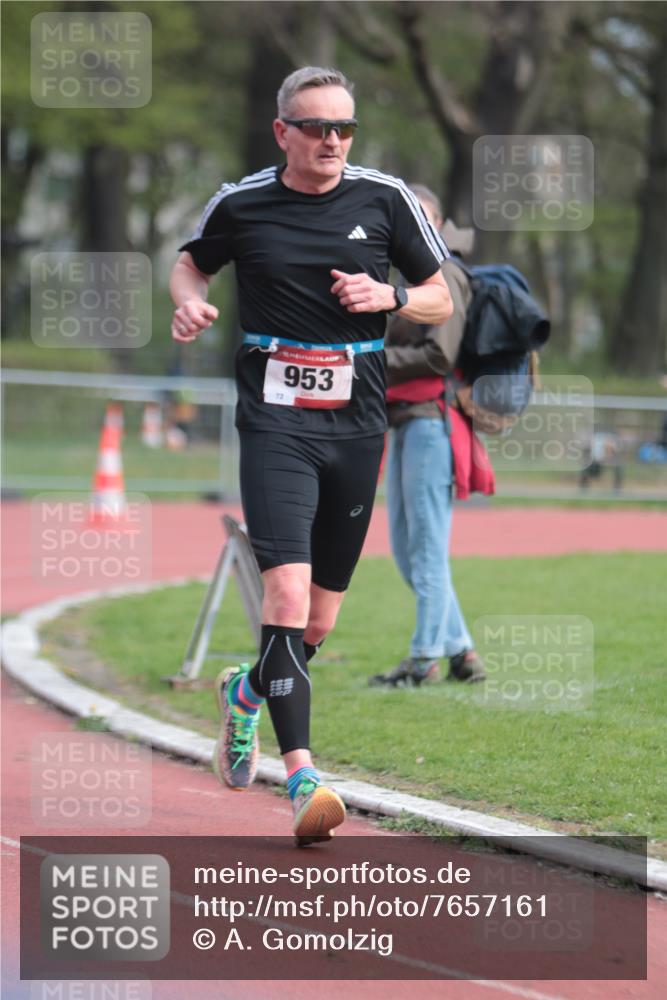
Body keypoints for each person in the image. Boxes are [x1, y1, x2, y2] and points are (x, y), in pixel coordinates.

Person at [169, 68, 452, 843]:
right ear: (282, 131)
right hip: (273, 424)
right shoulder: (242, 201)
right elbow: (192, 260)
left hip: (357, 425)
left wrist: (389, 297)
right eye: (317, 126)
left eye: (344, 128)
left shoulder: (383, 198)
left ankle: (244, 693)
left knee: (317, 623)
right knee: (285, 603)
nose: (332, 141)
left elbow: (440, 294)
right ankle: (301, 777)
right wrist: (187, 300)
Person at [368, 185, 486, 689]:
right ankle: (462, 653)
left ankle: (423, 662)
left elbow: (440, 356)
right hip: (407, 421)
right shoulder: (410, 278)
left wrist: (371, 360)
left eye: (421, 217)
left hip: (432, 424)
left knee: (427, 549)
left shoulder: (447, 277)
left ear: (436, 224)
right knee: (406, 547)